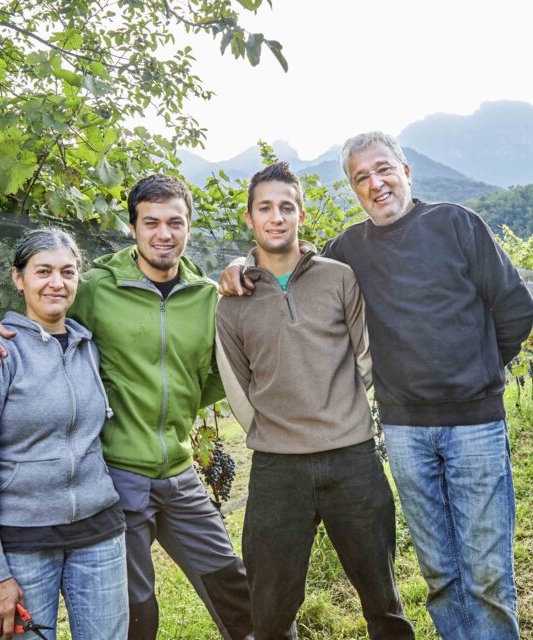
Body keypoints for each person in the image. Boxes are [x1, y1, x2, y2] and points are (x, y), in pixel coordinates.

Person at [219, 133, 533, 640]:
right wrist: (237, 266)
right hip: (405, 431)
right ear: (352, 188)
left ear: (406, 171)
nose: (376, 183)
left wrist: (480, 371)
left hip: (474, 423)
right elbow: (293, 268)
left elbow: (515, 308)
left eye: (383, 169)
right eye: (361, 177)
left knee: (488, 574)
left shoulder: (456, 224)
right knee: (440, 575)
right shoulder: (350, 252)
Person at [0, 174, 253, 640]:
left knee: (232, 584)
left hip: (178, 470)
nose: (163, 233)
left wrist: (244, 261)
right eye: (150, 221)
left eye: (175, 222)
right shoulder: (94, 287)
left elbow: (219, 373)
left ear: (189, 228)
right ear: (132, 228)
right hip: (116, 477)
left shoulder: (205, 297)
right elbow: (39, 319)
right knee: (136, 607)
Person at [215, 162, 414, 640]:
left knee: (383, 602)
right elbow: (238, 387)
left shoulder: (339, 278)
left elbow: (364, 357)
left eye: (287, 207)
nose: (277, 217)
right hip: (277, 471)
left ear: (301, 214)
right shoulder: (232, 299)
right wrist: (276, 432)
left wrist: (338, 409)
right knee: (271, 612)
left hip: (353, 461)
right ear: (250, 218)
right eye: (265, 208)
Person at [0, 228, 128, 640]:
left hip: (98, 533)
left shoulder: (88, 346)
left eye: (68, 272)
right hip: (23, 543)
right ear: (19, 278)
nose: (56, 282)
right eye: (43, 271)